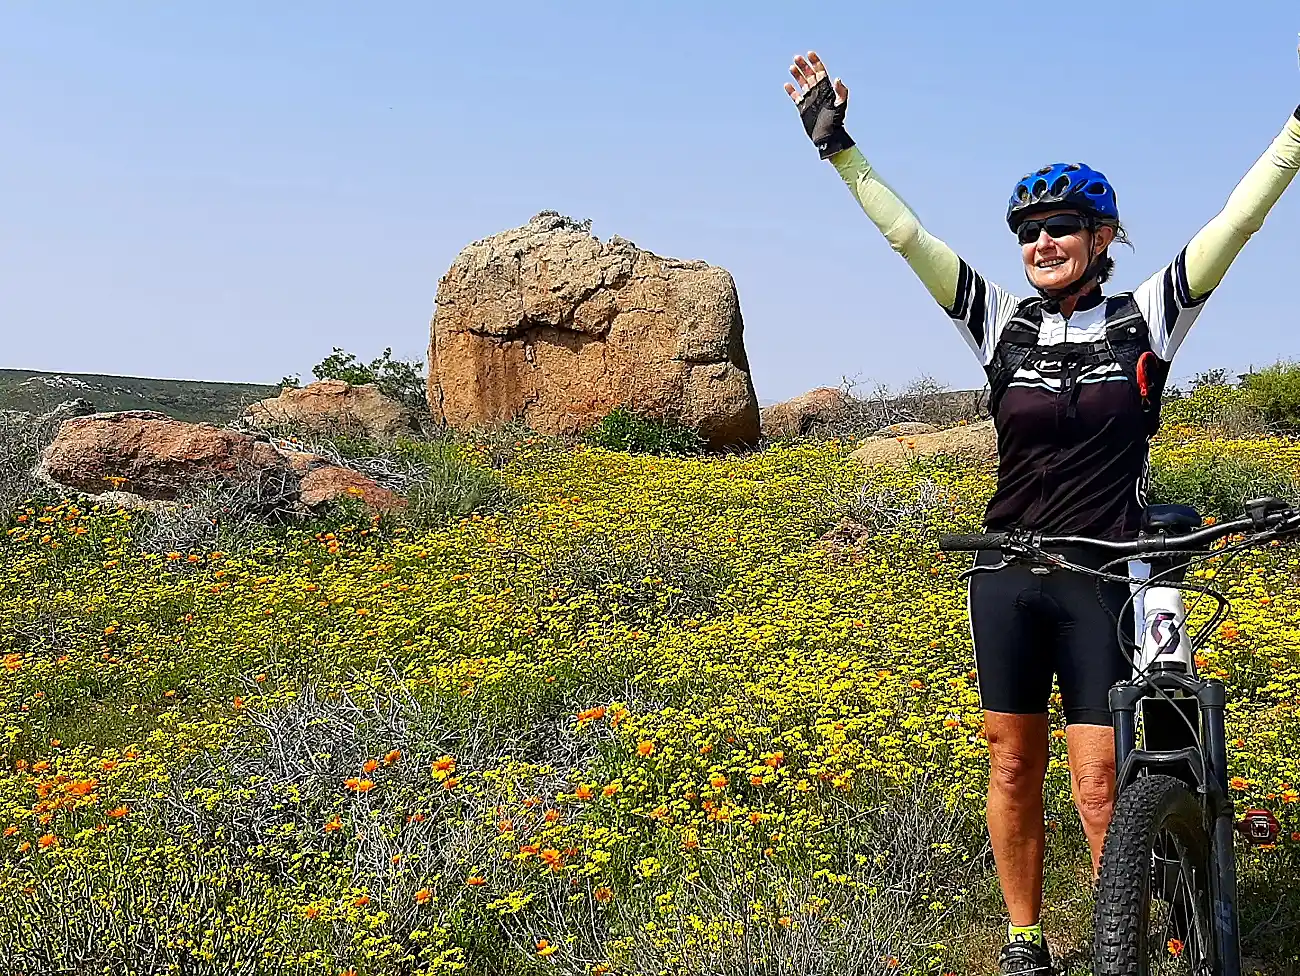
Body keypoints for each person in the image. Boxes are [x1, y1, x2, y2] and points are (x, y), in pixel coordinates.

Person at [784, 47, 1300, 975]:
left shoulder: (1149, 315)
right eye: (1028, 230)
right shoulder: (1000, 324)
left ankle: (1122, 949)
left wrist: (1297, 131)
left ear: (1102, 238)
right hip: (1009, 569)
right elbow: (909, 239)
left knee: (1102, 782)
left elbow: (1239, 220)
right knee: (1012, 763)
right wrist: (838, 146)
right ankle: (1025, 939)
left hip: (1106, 567)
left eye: (1061, 227)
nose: (1041, 243)